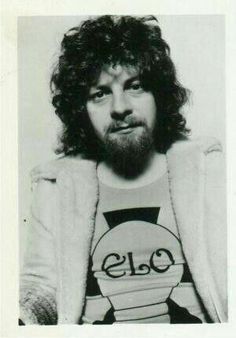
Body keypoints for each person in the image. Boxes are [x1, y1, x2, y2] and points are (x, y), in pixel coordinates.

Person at [19, 15, 227, 325]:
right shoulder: (56, 186)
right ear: (82, 110)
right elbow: (41, 289)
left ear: (159, 96)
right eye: (99, 93)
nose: (119, 108)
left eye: (136, 86)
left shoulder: (208, 173)